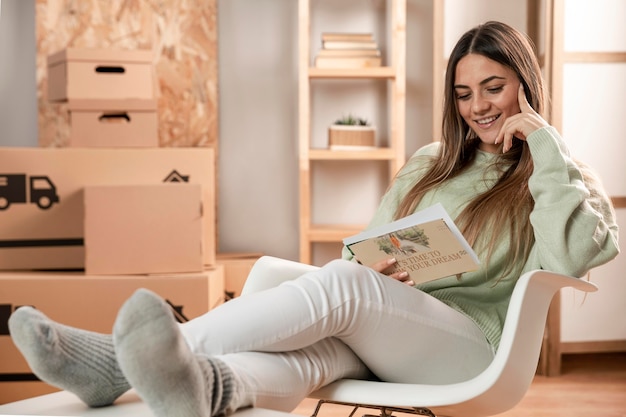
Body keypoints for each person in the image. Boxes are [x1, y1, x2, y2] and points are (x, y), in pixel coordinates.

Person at [9, 21, 619, 417]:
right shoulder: (432, 161)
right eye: (464, 94)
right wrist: (377, 264)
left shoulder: (560, 171)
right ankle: (201, 386)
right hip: (394, 330)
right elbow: (363, 255)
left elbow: (569, 259)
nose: (479, 107)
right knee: (309, 340)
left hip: (474, 351)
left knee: (342, 289)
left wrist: (542, 145)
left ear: (525, 85)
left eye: (494, 88)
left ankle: (111, 365)